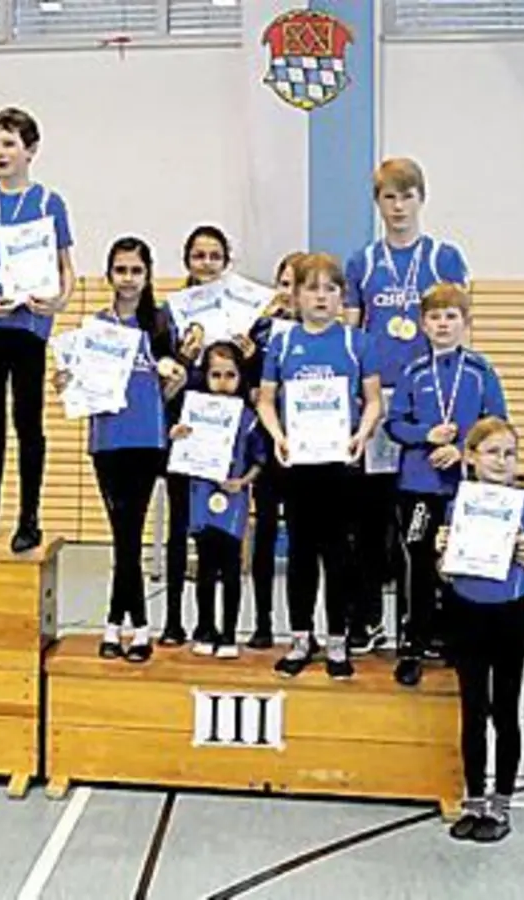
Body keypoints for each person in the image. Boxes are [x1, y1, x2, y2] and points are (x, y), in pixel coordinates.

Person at [344, 157, 471, 657]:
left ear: (422, 198)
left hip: (431, 404)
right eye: (388, 198)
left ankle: (430, 623)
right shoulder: (363, 262)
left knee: (427, 518)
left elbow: (463, 327)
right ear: (377, 203)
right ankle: (369, 618)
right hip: (380, 401)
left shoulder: (445, 257)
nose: (398, 207)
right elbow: (354, 333)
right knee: (373, 517)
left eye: (407, 196)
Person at [0, 107, 76, 553]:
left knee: (28, 422)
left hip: (28, 328)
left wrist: (60, 301)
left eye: (8, 144)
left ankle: (30, 515)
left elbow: (66, 269)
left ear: (31, 150)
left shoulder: (49, 202)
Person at [255, 253, 384, 680]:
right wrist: (279, 437)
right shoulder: (283, 342)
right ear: (296, 294)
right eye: (312, 288)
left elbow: (374, 402)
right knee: (301, 553)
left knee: (339, 554)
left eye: (331, 289)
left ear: (341, 296)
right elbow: (266, 401)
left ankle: (337, 641)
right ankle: (299, 637)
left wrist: (361, 435)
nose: (322, 297)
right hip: (298, 464)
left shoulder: (355, 342)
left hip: (341, 464)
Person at [434, 417, 524, 842]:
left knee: (505, 711)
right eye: (493, 452)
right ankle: (474, 798)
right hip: (467, 613)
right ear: (471, 457)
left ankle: (502, 804)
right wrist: (442, 554)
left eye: (510, 453)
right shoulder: (457, 504)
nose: (502, 461)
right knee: (473, 710)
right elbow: (446, 573)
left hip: (508, 616)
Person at [386, 283, 508, 686]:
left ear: (465, 323)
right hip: (419, 485)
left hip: (466, 487)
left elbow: (497, 426)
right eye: (435, 316)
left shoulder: (480, 370)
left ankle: (457, 641)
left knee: (460, 562)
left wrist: (460, 448)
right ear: (423, 323)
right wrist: (426, 436)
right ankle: (412, 645)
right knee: (418, 563)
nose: (443, 324)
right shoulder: (412, 372)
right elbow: (395, 424)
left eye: (451, 316)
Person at [64, 237, 179, 663]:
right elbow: (80, 382)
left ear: (147, 275)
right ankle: (134, 628)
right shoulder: (96, 326)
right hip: (107, 439)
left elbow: (173, 385)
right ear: (110, 274)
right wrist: (68, 383)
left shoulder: (162, 326)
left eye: (136, 271)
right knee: (123, 535)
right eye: (121, 270)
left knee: (130, 534)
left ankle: (120, 626)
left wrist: (175, 377)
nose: (128, 279)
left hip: (147, 438)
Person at [159, 225, 238, 646]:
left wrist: (247, 350)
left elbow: (248, 377)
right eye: (199, 256)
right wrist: (182, 359)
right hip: (183, 432)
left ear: (226, 263)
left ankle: (215, 623)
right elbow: (157, 377)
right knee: (179, 527)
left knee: (219, 533)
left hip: (226, 437)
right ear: (187, 260)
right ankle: (173, 620)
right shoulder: (169, 314)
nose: (206, 264)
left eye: (214, 256)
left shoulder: (239, 312)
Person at [175, 343, 266, 659]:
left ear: (241, 377)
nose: (223, 381)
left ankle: (228, 633)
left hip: (234, 499)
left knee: (230, 567)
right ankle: (204, 628)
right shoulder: (193, 412)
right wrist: (178, 436)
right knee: (205, 567)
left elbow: (259, 458)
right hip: (202, 496)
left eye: (230, 375)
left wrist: (242, 481)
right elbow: (180, 454)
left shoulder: (248, 417)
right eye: (216, 375)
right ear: (205, 376)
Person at [243, 253, 303, 649]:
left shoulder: (325, 334)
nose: (289, 293)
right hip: (267, 444)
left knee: (302, 539)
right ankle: (262, 621)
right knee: (264, 531)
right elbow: (244, 383)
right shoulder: (258, 331)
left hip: (307, 450)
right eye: (283, 283)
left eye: (299, 284)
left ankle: (303, 627)